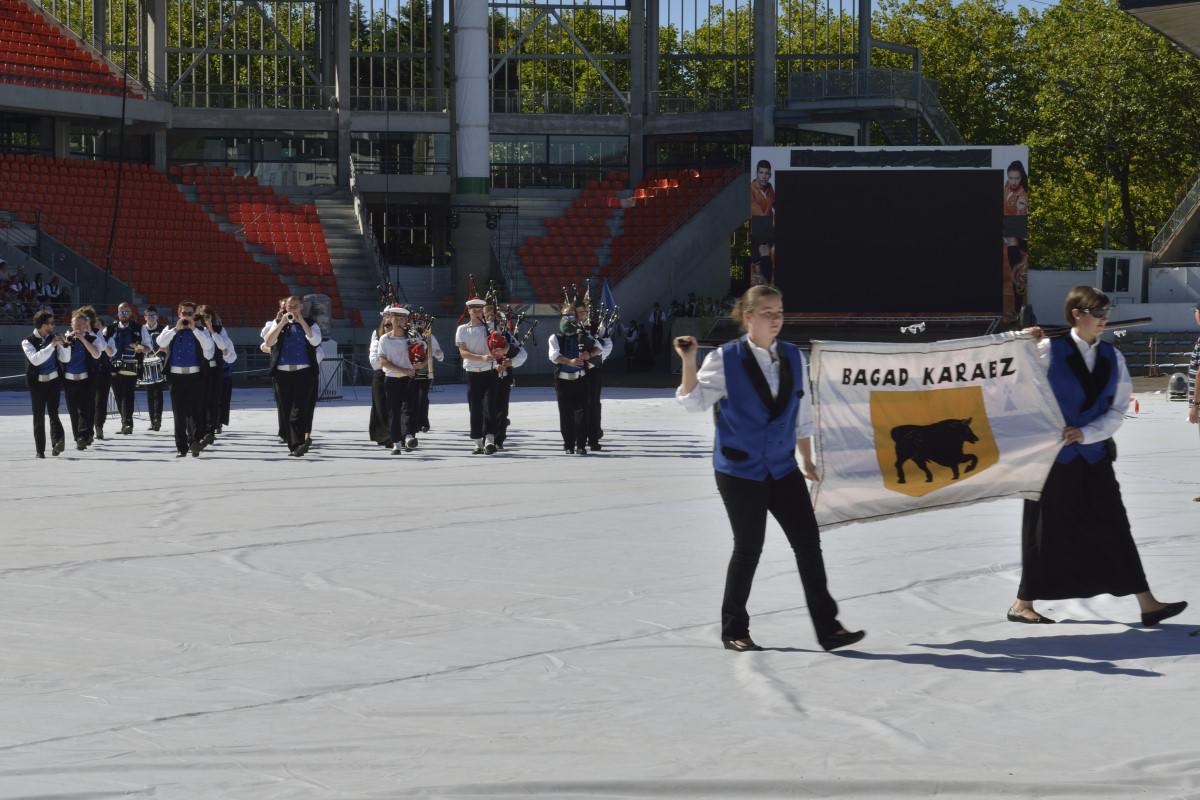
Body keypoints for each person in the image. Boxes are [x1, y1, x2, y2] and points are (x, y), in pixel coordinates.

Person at [675, 285, 864, 652]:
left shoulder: (794, 355)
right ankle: (734, 629)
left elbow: (801, 412)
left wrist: (806, 458)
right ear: (748, 316)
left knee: (808, 543)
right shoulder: (725, 358)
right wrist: (689, 360)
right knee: (749, 547)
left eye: (779, 312)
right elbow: (694, 402)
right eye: (767, 313)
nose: (776, 319)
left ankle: (829, 629)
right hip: (739, 469)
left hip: (782, 466)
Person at [1010, 286, 1187, 627]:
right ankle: (1022, 603)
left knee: (1115, 525)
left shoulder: (1112, 356)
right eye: (1097, 312)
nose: (1104, 318)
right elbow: (1016, 385)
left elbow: (1117, 409)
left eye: (1106, 312)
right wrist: (1021, 342)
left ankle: (1148, 604)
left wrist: (1087, 433)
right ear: (1077, 314)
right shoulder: (1046, 350)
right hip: (1053, 457)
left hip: (1094, 455)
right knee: (1043, 529)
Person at [263, 294, 322, 457]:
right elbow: (268, 342)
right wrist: (281, 322)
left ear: (301, 307)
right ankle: (293, 445)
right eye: (290, 307)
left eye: (296, 306)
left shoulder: (311, 323)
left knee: (299, 409)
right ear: (285, 308)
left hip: (304, 372)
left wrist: (302, 322)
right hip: (282, 373)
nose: (293, 309)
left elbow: (315, 341)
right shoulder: (278, 323)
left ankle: (298, 444)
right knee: (286, 410)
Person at [157, 300, 216, 457]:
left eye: (190, 313)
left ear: (194, 314)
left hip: (195, 375)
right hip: (175, 376)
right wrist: (176, 328)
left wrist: (194, 328)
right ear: (179, 314)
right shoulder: (170, 329)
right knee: (179, 413)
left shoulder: (202, 331)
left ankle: (194, 441)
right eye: (184, 313)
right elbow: (160, 342)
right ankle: (181, 447)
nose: (187, 316)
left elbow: (208, 348)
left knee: (195, 410)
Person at [549, 303, 597, 455]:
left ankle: (581, 445)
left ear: (576, 318)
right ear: (561, 318)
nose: (568, 319)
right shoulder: (555, 337)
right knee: (565, 414)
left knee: (582, 414)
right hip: (563, 381)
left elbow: (599, 347)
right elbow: (554, 356)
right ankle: (569, 444)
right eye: (565, 315)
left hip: (581, 380)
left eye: (571, 315)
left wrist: (590, 354)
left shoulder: (583, 336)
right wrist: (569, 361)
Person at [456, 296, 501, 455]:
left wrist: (501, 350)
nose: (476, 312)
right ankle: (477, 441)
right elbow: (463, 352)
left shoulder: (491, 327)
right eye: (473, 310)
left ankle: (490, 439)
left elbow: (505, 345)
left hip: (490, 372)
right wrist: (481, 358)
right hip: (472, 373)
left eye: (479, 310)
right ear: (468, 311)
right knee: (475, 407)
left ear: (483, 312)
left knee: (489, 406)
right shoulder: (462, 329)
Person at [21, 309, 66, 458]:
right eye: (51, 323)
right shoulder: (27, 341)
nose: (54, 325)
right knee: (38, 417)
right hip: (37, 384)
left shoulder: (53, 338)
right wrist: (51, 345)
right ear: (43, 325)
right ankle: (40, 450)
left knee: (54, 413)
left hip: (53, 381)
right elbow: (36, 360)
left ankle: (58, 443)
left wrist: (64, 344)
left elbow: (65, 359)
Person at [376, 305, 421, 455]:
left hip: (408, 378)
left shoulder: (413, 337)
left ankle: (408, 437)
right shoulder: (385, 339)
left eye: (402, 319)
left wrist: (420, 364)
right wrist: (402, 369)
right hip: (392, 378)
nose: (399, 322)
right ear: (390, 319)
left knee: (407, 408)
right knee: (393, 412)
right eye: (396, 319)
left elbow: (423, 356)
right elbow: (383, 361)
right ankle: (396, 443)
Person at [57, 308, 104, 450]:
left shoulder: (92, 338)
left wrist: (83, 339)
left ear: (85, 325)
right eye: (75, 324)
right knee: (73, 411)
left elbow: (96, 354)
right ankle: (78, 437)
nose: (78, 327)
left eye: (80, 324)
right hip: (69, 380)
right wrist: (66, 342)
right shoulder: (66, 339)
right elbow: (63, 358)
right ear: (71, 325)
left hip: (85, 380)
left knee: (84, 409)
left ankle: (82, 437)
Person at [485, 303, 528, 451]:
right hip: (485, 377)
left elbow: (522, 354)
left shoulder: (507, 335)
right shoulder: (481, 334)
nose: (494, 319)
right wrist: (493, 366)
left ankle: (499, 439)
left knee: (502, 411)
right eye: (491, 316)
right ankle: (487, 438)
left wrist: (511, 362)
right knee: (487, 409)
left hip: (503, 378)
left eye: (497, 317)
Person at [104, 301, 143, 435]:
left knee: (127, 394)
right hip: (114, 365)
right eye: (121, 312)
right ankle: (125, 422)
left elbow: (148, 347)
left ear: (131, 313)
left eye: (126, 312)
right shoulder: (109, 329)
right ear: (118, 313)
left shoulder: (139, 328)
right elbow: (102, 344)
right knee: (118, 395)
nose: (123, 314)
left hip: (131, 364)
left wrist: (141, 349)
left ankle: (127, 423)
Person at [576, 300, 611, 451]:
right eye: (579, 312)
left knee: (593, 404)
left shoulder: (597, 326)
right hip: (574, 370)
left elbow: (608, 345)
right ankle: (578, 435)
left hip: (592, 369)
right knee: (577, 404)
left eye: (584, 311)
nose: (582, 315)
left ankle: (594, 436)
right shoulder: (569, 327)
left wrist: (592, 360)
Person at [367, 312, 394, 448]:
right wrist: (390, 364)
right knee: (380, 406)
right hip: (381, 375)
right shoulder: (377, 338)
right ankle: (384, 436)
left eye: (391, 325)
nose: (389, 327)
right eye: (386, 325)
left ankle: (394, 435)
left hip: (396, 375)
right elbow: (374, 361)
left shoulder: (401, 339)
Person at [140, 306, 168, 431]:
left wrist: (165, 350)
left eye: (153, 315)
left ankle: (157, 419)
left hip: (159, 363)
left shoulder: (163, 329)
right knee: (149, 394)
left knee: (158, 392)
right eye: (149, 315)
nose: (151, 318)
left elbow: (169, 346)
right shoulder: (141, 329)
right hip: (146, 364)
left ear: (157, 317)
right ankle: (153, 421)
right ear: (145, 317)